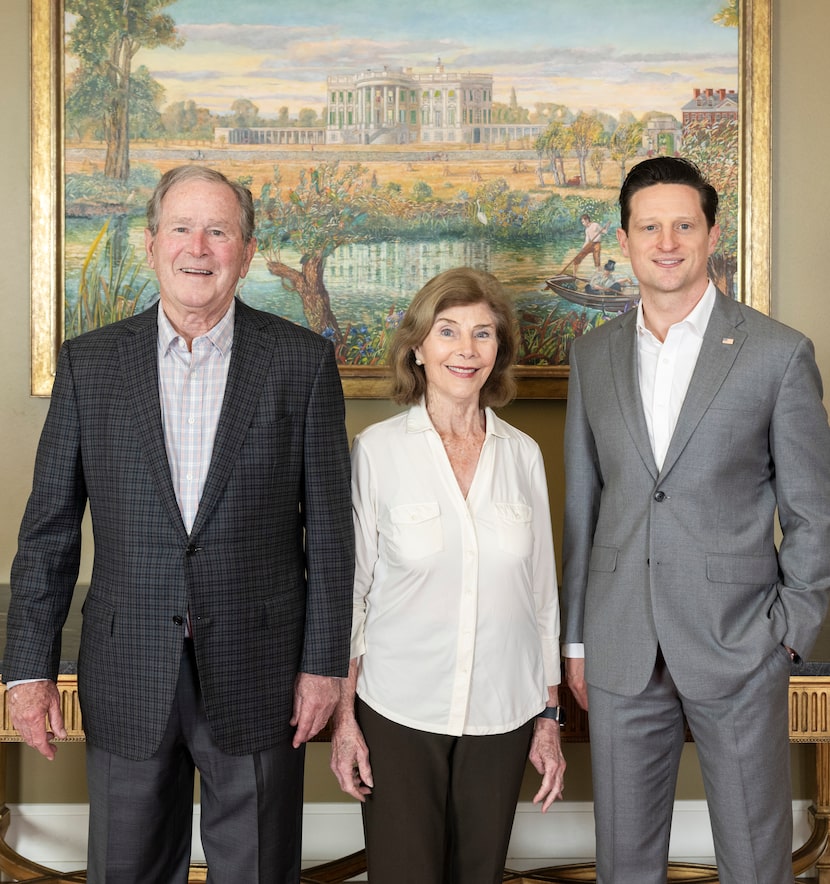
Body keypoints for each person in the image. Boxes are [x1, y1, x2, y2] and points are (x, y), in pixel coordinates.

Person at [2, 165, 355, 884]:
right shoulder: (90, 366)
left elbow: (331, 533)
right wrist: (27, 671)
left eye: (219, 231)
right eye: (183, 228)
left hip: (262, 672)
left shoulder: (302, 363)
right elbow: (49, 533)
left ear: (248, 251)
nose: (200, 248)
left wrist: (322, 665)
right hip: (127, 669)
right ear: (151, 242)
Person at [562, 155, 830, 884]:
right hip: (620, 644)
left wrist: (790, 630)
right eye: (649, 226)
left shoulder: (778, 354)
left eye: (684, 224)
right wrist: (577, 638)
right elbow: (585, 506)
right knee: (625, 862)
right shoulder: (592, 356)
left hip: (741, 639)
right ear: (625, 239)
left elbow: (815, 513)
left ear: (713, 235)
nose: (667, 240)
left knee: (753, 857)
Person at [329, 267, 566, 884]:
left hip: (504, 711)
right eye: (448, 331)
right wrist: (345, 717)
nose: (467, 350)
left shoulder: (523, 456)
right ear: (418, 347)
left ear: (498, 350)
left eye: (483, 334)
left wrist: (549, 719)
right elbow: (351, 592)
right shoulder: (377, 452)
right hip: (399, 707)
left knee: (480, 875)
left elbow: (542, 595)